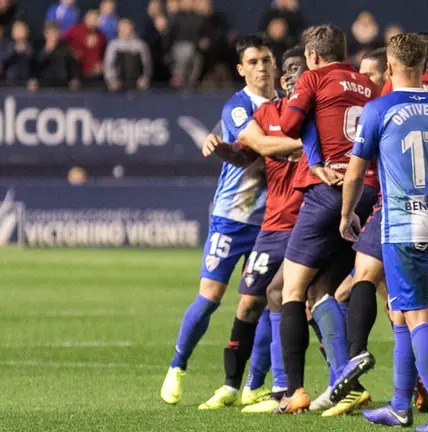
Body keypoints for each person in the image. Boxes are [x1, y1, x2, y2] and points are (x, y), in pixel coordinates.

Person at [332, 31, 428, 416]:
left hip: (402, 226)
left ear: (389, 67)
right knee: (403, 313)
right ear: (423, 67)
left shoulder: (379, 109)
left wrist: (347, 213)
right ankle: (400, 405)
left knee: (418, 316)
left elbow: (354, 173)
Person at [160, 34, 276, 406]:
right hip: (232, 217)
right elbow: (251, 149)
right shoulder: (238, 108)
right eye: (254, 62)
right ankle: (178, 365)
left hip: (270, 219)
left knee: (260, 301)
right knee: (210, 296)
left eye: (266, 60)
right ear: (241, 69)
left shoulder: (288, 105)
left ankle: (251, 385)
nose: (262, 67)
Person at [194, 45, 309, 412]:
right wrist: (223, 149)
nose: (288, 75)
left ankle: (283, 390)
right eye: (286, 69)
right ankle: (238, 386)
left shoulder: (313, 114)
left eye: (296, 70)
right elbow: (249, 151)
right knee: (250, 301)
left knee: (294, 299)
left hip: (302, 221)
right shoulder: (269, 112)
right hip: (270, 225)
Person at [275, 24, 380, 414]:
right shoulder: (368, 85)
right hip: (366, 193)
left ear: (313, 56)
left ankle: (294, 391)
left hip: (330, 192)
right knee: (323, 290)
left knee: (291, 290)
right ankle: (345, 382)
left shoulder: (314, 78)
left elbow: (288, 126)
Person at [103, 19, 152, 91]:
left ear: (132, 28)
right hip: (117, 83)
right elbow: (108, 65)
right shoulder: (113, 45)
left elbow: (147, 64)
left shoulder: (141, 45)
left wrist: (145, 78)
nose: (124, 30)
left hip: (137, 83)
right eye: (121, 28)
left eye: (126, 28)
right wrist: (111, 80)